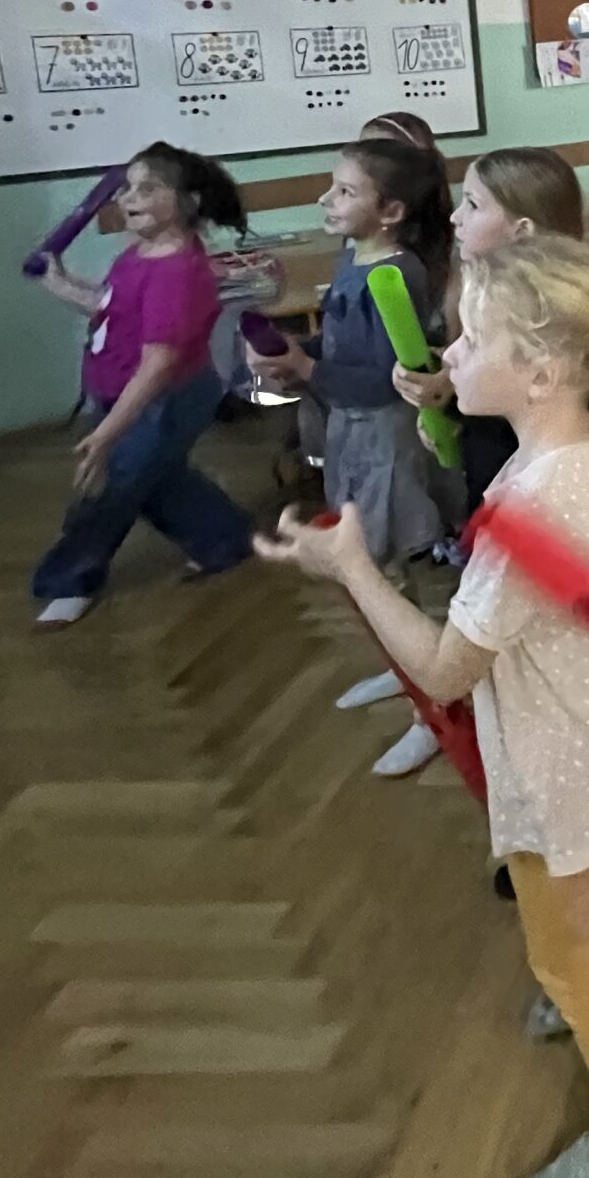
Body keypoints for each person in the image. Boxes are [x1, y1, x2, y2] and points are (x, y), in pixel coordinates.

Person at [253, 234, 589, 1178]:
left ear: (541, 371)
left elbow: (446, 670)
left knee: (569, 957)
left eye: (469, 338)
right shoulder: (574, 449)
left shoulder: (537, 505)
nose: (448, 351)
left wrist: (353, 568)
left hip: (561, 770)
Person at [341, 148, 589, 764]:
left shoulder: (547, 313)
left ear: (522, 230)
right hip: (494, 469)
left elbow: (533, 408)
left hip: (521, 481)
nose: (454, 216)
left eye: (473, 205)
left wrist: (455, 395)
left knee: (510, 615)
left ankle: (448, 705)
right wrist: (445, 398)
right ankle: (436, 692)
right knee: (483, 597)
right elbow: (486, 386)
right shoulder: (481, 284)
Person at [243, 139, 453, 772]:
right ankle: (404, 665)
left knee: (384, 561)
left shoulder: (396, 273)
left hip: (383, 434)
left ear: (390, 212)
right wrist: (296, 354)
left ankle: (434, 709)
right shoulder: (354, 257)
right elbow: (343, 348)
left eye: (344, 191)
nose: (325, 200)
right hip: (349, 429)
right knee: (374, 562)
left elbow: (388, 378)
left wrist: (307, 367)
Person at [30, 143, 256, 627]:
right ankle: (225, 539)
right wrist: (61, 284)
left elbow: (158, 365)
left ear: (189, 201)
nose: (127, 197)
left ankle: (70, 580)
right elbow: (112, 308)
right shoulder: (140, 255)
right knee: (158, 479)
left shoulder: (177, 274)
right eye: (128, 187)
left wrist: (107, 434)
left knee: (110, 488)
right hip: (128, 392)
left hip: (163, 399)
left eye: (147, 188)